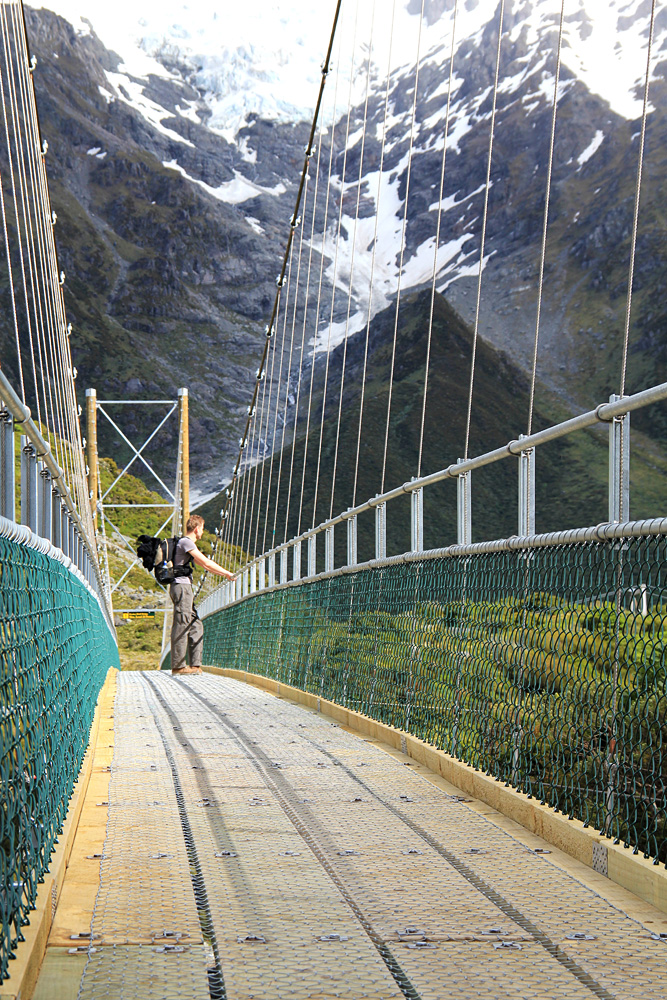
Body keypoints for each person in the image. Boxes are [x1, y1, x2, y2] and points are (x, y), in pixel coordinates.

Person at [170, 514, 235, 676]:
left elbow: (206, 565)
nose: (203, 533)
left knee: (196, 624)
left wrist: (224, 574)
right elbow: (206, 562)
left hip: (185, 587)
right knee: (183, 623)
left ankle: (195, 665)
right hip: (181, 586)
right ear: (197, 528)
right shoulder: (186, 542)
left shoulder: (187, 544)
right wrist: (227, 573)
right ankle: (178, 666)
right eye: (203, 529)